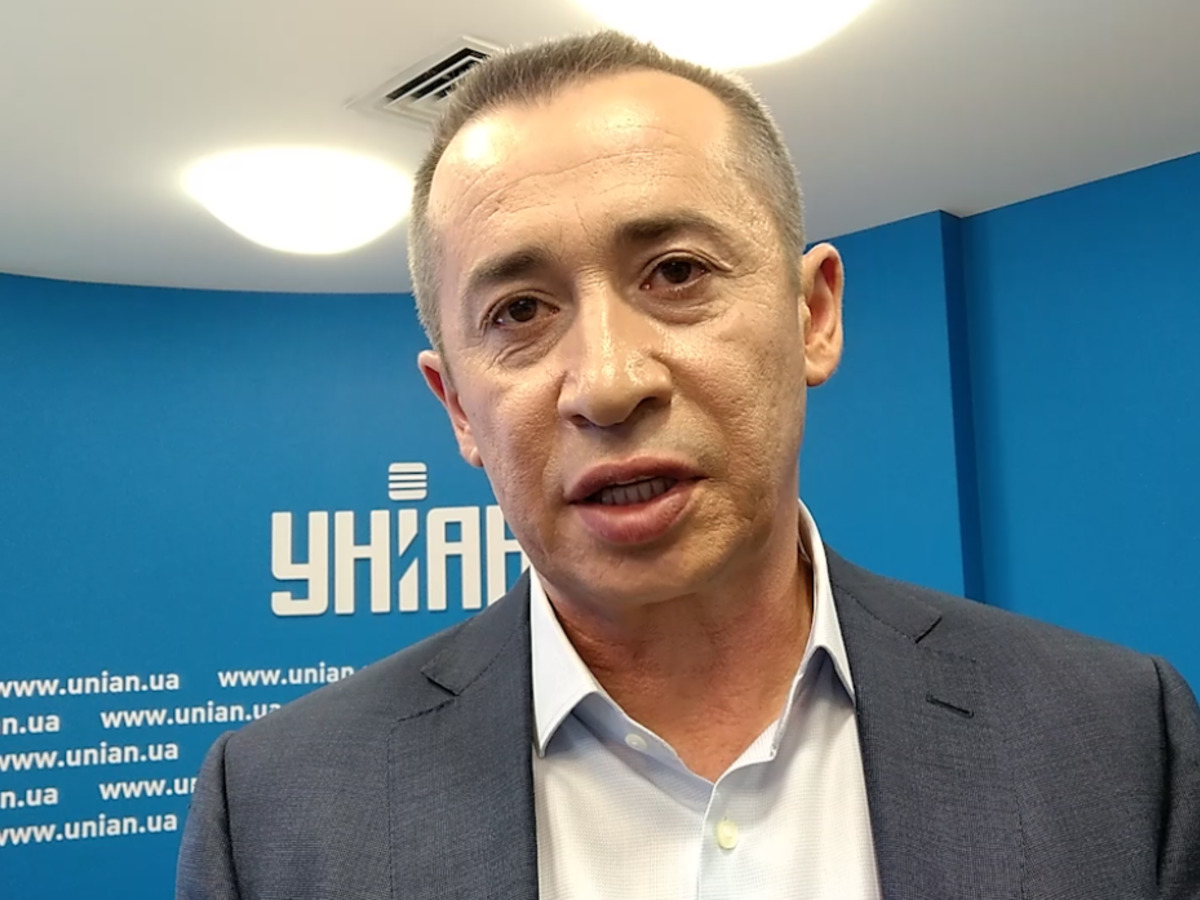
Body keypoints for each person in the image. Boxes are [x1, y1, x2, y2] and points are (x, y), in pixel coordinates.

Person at [176, 31, 1200, 900]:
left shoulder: (1114, 739)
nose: (608, 383)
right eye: (519, 312)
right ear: (457, 409)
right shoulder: (273, 815)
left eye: (675, 273)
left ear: (813, 315)